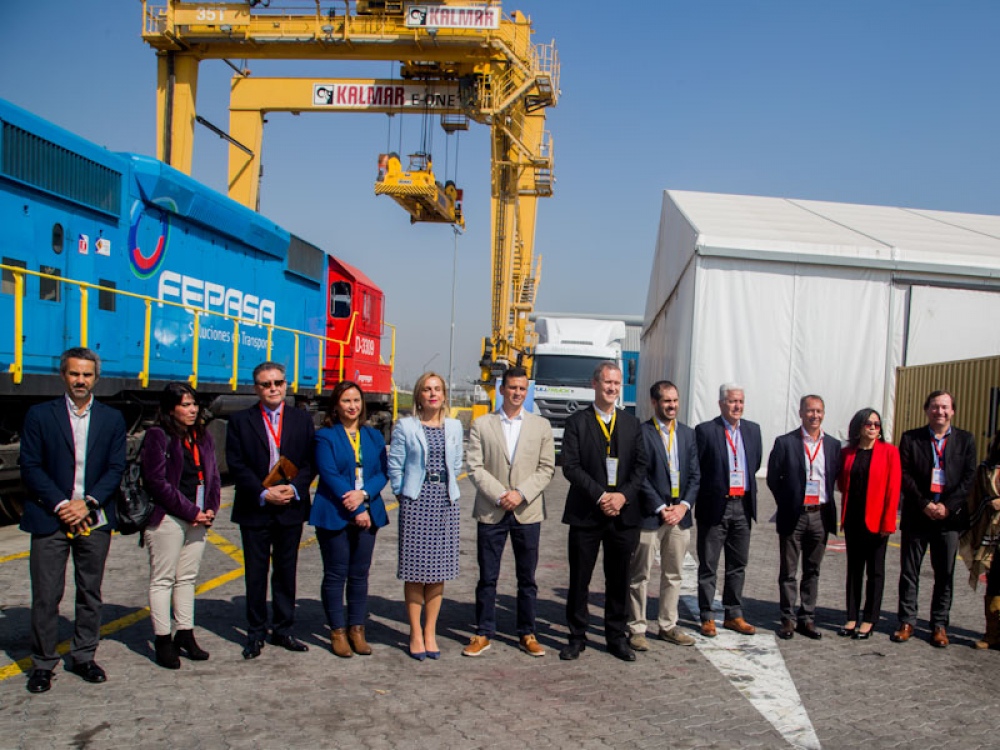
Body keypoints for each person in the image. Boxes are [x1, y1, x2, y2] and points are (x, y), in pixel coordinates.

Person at [19, 347, 126, 693]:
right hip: (50, 516)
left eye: (87, 374)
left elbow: (116, 468)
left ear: (96, 378)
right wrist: (63, 505)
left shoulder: (112, 419)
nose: (81, 380)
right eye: (74, 373)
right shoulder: (39, 415)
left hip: (93, 517)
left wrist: (88, 503)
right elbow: (30, 465)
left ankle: (84, 656)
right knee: (46, 594)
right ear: (63, 375)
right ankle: (42, 663)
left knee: (90, 591)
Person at [559, 361, 648, 662]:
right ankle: (576, 637)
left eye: (616, 383)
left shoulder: (632, 424)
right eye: (607, 382)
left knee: (619, 579)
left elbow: (641, 467)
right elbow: (570, 467)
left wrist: (622, 496)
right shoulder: (577, 423)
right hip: (586, 513)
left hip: (623, 515)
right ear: (594, 384)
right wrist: (601, 496)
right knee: (579, 579)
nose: (612, 388)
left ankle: (616, 637)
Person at [464, 367, 555, 658]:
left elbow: (546, 468)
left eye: (522, 389)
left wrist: (521, 493)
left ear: (527, 392)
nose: (517, 393)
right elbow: (474, 466)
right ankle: (483, 632)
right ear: (502, 389)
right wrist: (501, 494)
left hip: (527, 512)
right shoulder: (482, 424)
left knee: (527, 578)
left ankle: (527, 633)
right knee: (487, 577)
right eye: (512, 387)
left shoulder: (540, 426)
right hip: (492, 510)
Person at [227, 361, 316, 659]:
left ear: (285, 385)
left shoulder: (302, 420)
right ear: (256, 388)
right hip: (256, 506)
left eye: (278, 383)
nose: (273, 389)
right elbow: (236, 463)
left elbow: (310, 461)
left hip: (290, 506)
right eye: (266, 384)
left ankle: (283, 629)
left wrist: (293, 489)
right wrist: (264, 492)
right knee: (255, 573)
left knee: (286, 571)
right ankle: (255, 633)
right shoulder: (240, 420)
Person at [141, 382, 222, 669]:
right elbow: (156, 482)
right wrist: (191, 511)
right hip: (169, 518)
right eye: (185, 405)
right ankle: (163, 639)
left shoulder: (203, 436)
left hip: (198, 517)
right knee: (163, 579)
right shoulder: (157, 436)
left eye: (194, 404)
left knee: (187, 578)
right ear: (170, 409)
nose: (192, 410)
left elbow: (213, 476)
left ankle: (185, 633)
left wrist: (210, 508)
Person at [388, 371, 464, 660]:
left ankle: (430, 631)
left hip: (445, 501)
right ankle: (415, 633)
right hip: (416, 503)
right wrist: (402, 493)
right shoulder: (406, 426)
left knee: (438, 572)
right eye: (427, 389)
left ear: (444, 395)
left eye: (437, 389)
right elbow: (395, 464)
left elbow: (456, 463)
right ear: (419, 395)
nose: (433, 394)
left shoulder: (454, 426)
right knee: (415, 572)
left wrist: (447, 486)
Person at [310, 381, 389, 658]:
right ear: (336, 405)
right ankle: (337, 631)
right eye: (346, 401)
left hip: (368, 509)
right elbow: (329, 474)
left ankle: (357, 629)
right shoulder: (325, 436)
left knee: (359, 574)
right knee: (336, 573)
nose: (352, 406)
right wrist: (356, 507)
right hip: (335, 512)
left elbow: (382, 472)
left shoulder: (373, 436)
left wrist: (364, 495)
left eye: (356, 400)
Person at [893, 390, 976, 647]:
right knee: (909, 572)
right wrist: (924, 503)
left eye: (944, 407)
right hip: (918, 516)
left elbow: (968, 478)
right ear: (926, 409)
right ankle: (907, 621)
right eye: (935, 406)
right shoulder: (911, 438)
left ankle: (939, 625)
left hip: (949, 519)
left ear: (952, 411)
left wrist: (947, 507)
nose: (939, 411)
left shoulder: (965, 440)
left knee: (945, 574)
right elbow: (904, 474)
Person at [627, 380, 700, 651]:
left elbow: (695, 475)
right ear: (654, 402)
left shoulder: (688, 434)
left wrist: (683, 506)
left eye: (675, 400)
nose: (672, 406)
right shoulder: (641, 432)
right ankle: (637, 628)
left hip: (680, 515)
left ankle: (668, 625)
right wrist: (660, 507)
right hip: (650, 515)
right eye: (667, 401)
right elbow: (639, 475)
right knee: (640, 575)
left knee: (674, 574)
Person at [766, 395, 840, 640]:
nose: (814, 415)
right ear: (801, 413)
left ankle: (807, 617)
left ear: (823, 414)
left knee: (812, 570)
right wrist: (787, 502)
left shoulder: (833, 445)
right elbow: (773, 478)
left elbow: (834, 476)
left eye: (818, 411)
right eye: (810, 411)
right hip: (794, 515)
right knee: (788, 571)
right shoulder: (785, 442)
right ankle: (787, 618)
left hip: (820, 515)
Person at [694, 383, 763, 637]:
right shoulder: (706, 431)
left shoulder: (753, 430)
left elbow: (755, 463)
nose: (737, 406)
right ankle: (707, 616)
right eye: (733, 401)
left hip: (742, 505)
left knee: (738, 564)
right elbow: (698, 468)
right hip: (715, 507)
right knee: (708, 565)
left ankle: (733, 614)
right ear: (721, 403)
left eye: (741, 401)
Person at [837, 408, 901, 639]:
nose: (873, 427)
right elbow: (842, 483)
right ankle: (852, 616)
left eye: (876, 424)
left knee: (875, 572)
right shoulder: (847, 453)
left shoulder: (889, 452)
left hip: (877, 521)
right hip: (853, 519)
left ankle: (870, 619)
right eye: (868, 424)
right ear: (858, 427)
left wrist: (888, 522)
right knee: (854, 570)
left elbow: (893, 490)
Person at [959, 432, 1000, 650]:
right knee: (995, 581)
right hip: (991, 536)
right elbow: (974, 497)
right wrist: (990, 502)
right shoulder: (986, 469)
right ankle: (992, 633)